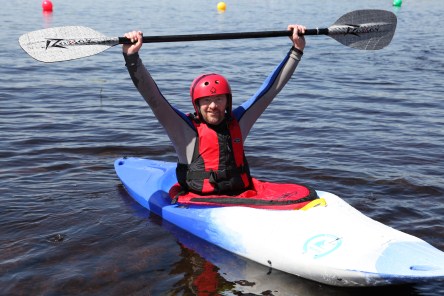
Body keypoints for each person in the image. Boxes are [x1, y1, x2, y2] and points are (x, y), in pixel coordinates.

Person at [122, 25, 306, 197]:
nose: (213, 105)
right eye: (206, 100)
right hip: (199, 201)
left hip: (242, 194)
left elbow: (269, 91)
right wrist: (132, 58)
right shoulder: (185, 130)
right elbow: (154, 99)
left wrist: (296, 50)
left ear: (227, 102)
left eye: (219, 99)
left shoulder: (239, 122)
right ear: (197, 104)